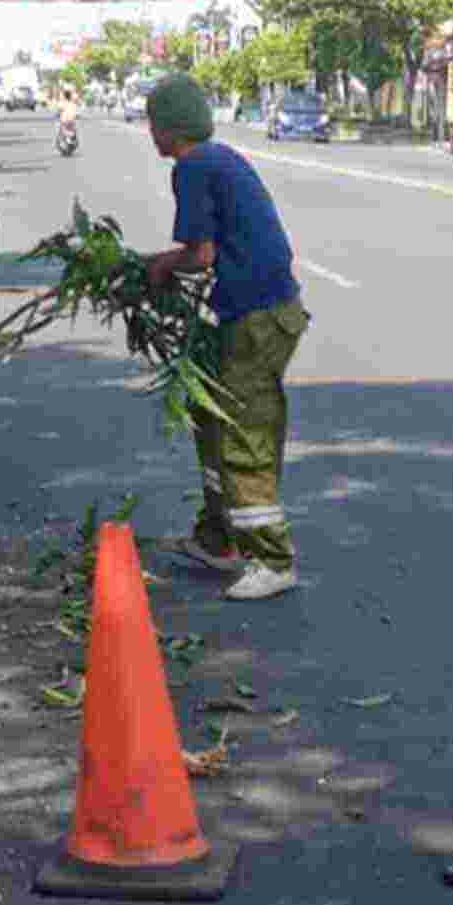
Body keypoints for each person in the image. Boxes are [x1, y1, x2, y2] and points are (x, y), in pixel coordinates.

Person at [143, 74, 311, 601]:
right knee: (211, 420)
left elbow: (201, 255)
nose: (151, 132)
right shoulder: (220, 158)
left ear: (169, 127)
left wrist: (159, 266)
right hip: (260, 312)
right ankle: (219, 538)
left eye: (153, 123)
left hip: (258, 319)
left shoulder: (192, 167)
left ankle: (273, 560)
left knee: (243, 433)